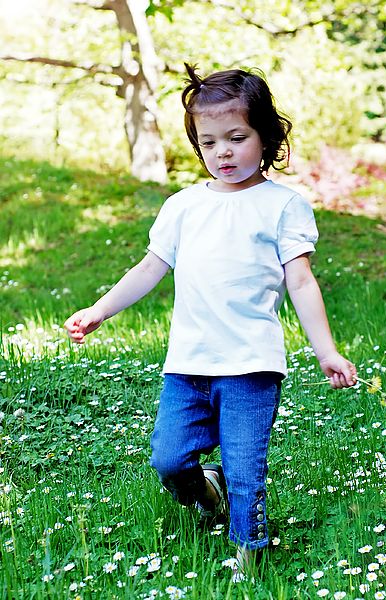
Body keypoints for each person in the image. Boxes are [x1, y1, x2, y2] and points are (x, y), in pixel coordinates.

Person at [64, 63, 357, 581]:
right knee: (170, 459)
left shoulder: (283, 206)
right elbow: (150, 267)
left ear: (266, 137)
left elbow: (302, 283)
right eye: (209, 141)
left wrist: (326, 351)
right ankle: (208, 492)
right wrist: (99, 310)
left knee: (248, 470)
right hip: (188, 365)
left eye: (237, 138)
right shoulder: (183, 207)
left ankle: (249, 557)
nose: (223, 151)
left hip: (251, 367)